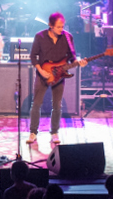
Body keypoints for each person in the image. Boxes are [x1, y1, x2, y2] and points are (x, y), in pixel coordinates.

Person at [28, 12, 86, 144]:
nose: (61, 29)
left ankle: (54, 132)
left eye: (62, 26)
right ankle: (33, 132)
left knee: (57, 105)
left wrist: (79, 62)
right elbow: (33, 57)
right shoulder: (40, 36)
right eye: (58, 27)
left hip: (59, 75)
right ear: (50, 26)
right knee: (36, 104)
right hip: (43, 73)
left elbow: (72, 57)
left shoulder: (68, 37)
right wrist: (41, 71)